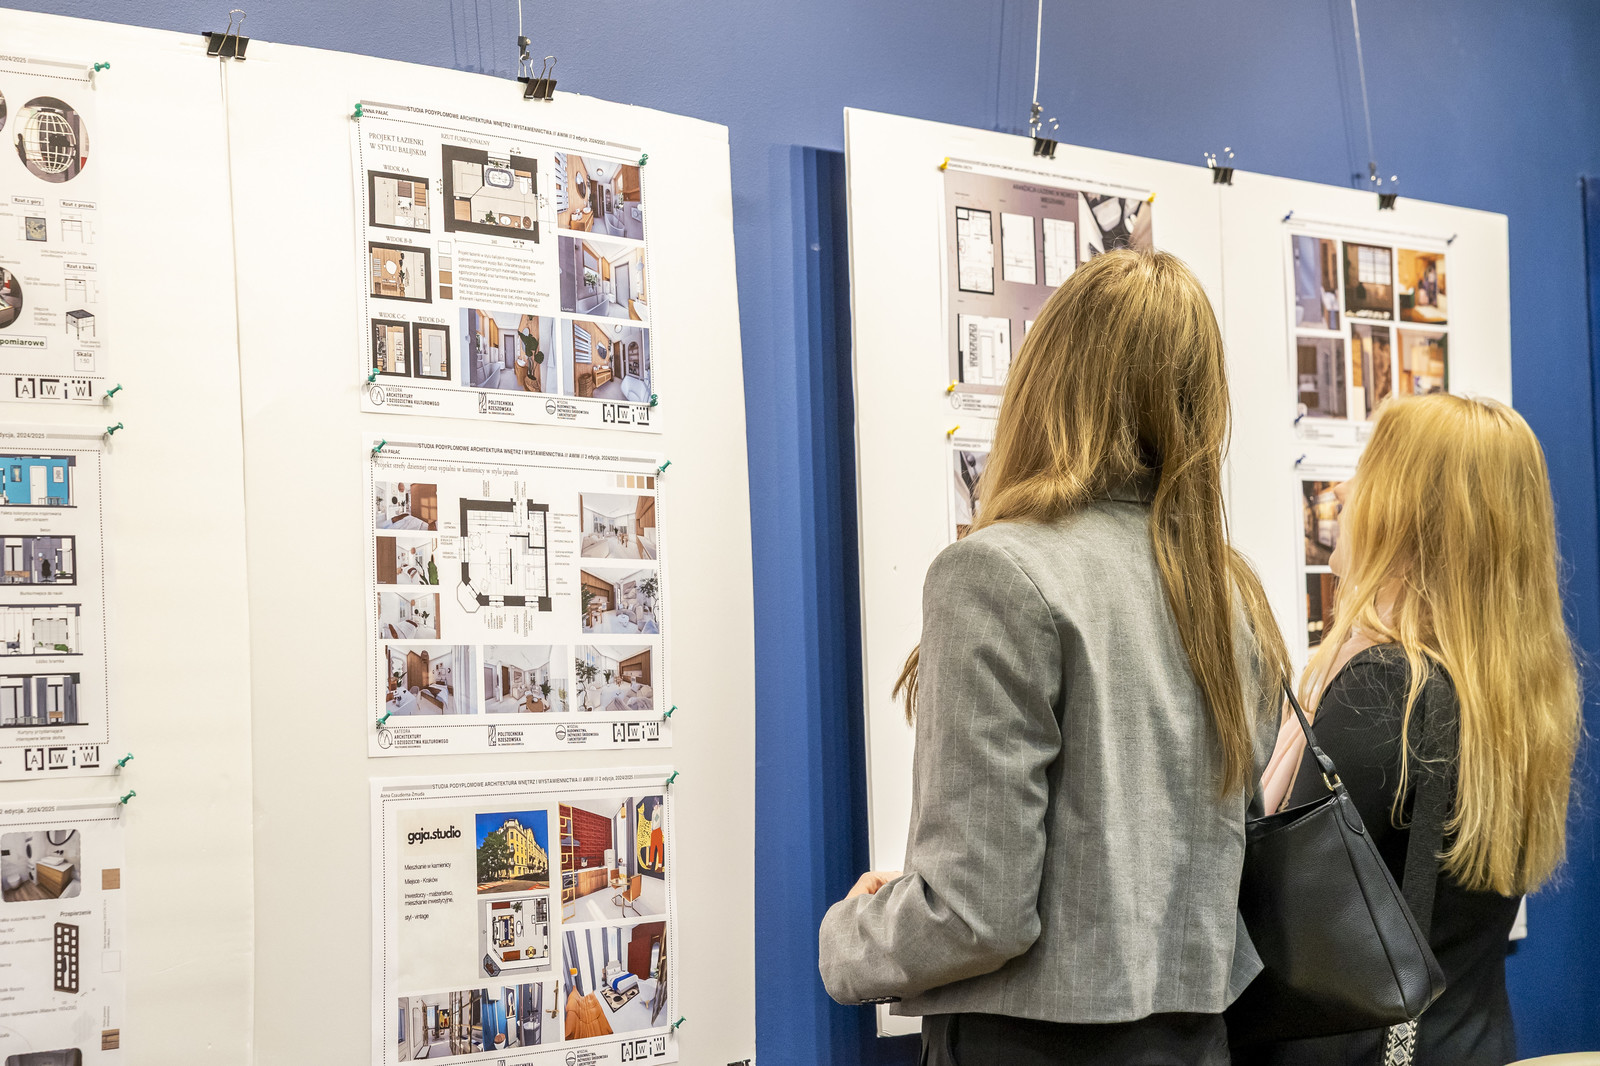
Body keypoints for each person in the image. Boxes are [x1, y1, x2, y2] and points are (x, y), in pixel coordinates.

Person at [817, 249, 1288, 1065]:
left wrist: (852, 935)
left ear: (1046, 378)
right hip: (1197, 1046)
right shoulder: (1229, 594)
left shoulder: (996, 571)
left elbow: (976, 915)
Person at [1251, 395, 1579, 1065]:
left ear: (1408, 515)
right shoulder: (1515, 694)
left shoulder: (1384, 687)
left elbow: (1279, 916)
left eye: (1366, 472)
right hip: (1471, 1042)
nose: (1344, 492)